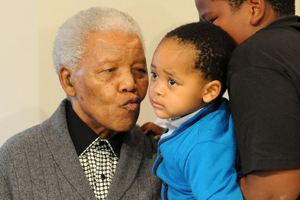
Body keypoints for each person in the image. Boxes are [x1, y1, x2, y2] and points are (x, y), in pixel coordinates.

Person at [0, 7, 161, 200]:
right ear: (68, 80)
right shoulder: (17, 159)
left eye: (139, 70)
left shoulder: (160, 154)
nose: (130, 83)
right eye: (110, 70)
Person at [195, 0, 300, 199]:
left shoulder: (254, 57)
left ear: (255, 8)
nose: (205, 36)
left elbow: (274, 193)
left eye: (210, 20)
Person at [149, 22, 242, 199]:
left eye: (172, 82)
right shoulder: (212, 113)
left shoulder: (203, 148)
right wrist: (169, 132)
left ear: (209, 91)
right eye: (154, 75)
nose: (156, 89)